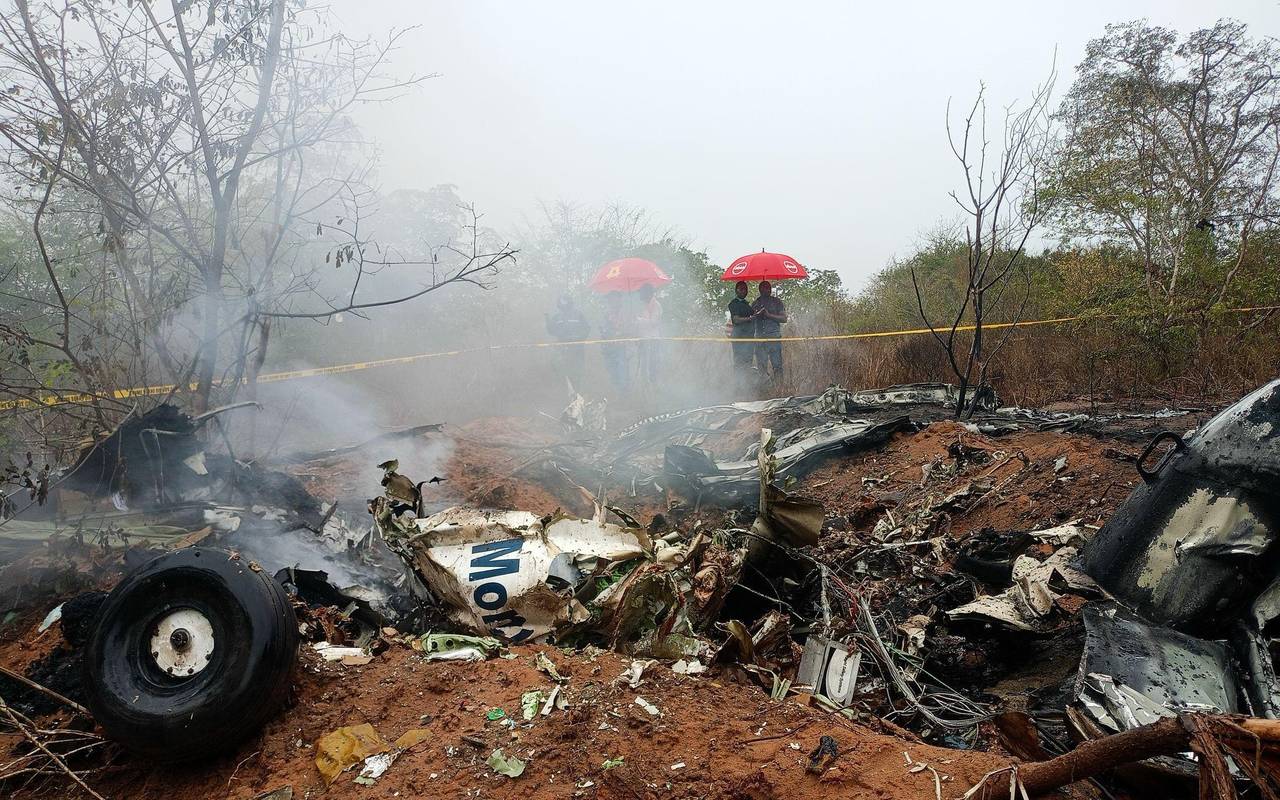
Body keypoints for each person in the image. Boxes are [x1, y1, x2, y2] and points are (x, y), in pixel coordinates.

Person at [545, 294, 590, 388]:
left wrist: (579, 339)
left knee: (577, 371)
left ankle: (578, 392)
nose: (564, 307)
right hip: (563, 349)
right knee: (563, 371)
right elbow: (551, 331)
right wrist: (547, 321)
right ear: (559, 306)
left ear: (570, 304)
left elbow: (586, 328)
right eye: (561, 305)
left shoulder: (578, 315)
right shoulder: (557, 317)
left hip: (577, 349)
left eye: (566, 304)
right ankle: (568, 391)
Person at [751, 281, 788, 380]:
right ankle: (765, 390)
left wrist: (769, 315)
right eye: (764, 287)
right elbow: (750, 321)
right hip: (759, 339)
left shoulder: (777, 302)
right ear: (760, 289)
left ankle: (780, 390)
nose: (767, 289)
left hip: (774, 338)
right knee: (762, 368)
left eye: (769, 287)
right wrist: (757, 315)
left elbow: (784, 319)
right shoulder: (755, 303)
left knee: (777, 366)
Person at [634, 285, 663, 383]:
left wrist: (638, 320)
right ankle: (644, 386)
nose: (640, 295)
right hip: (643, 340)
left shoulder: (656, 305)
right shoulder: (644, 305)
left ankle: (653, 386)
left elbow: (654, 322)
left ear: (648, 293)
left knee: (652, 366)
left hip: (653, 340)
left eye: (642, 292)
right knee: (643, 365)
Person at [727, 280, 756, 368]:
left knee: (748, 361)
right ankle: (738, 381)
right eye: (741, 289)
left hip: (748, 336)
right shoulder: (734, 304)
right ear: (736, 290)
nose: (744, 291)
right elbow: (736, 319)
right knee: (739, 361)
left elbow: (753, 313)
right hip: (739, 337)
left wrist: (757, 313)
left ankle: (746, 381)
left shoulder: (746, 304)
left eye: (745, 289)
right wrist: (749, 318)